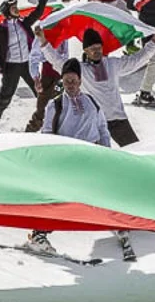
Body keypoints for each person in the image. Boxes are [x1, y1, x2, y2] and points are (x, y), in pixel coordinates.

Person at [30, 58, 136, 258]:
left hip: (93, 157)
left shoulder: (91, 102)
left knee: (105, 192)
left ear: (80, 81)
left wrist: (106, 153)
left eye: (74, 80)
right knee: (62, 199)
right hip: (68, 160)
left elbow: (103, 128)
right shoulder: (56, 104)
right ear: (62, 80)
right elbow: (46, 132)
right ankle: (39, 234)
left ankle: (118, 225)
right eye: (67, 80)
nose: (70, 84)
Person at [39, 27, 155, 147]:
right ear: (86, 50)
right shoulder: (80, 70)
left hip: (116, 119)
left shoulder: (112, 64)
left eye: (99, 47)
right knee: (100, 159)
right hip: (93, 121)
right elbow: (55, 59)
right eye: (93, 49)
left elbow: (136, 60)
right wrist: (43, 41)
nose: (97, 51)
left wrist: (153, 44)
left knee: (135, 151)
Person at [0, 0, 52, 134]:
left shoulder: (23, 23)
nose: (16, 9)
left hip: (27, 63)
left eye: (16, 7)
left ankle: (50, 119)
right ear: (7, 11)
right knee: (5, 95)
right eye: (13, 8)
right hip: (11, 66)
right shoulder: (1, 28)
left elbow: (38, 12)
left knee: (40, 91)